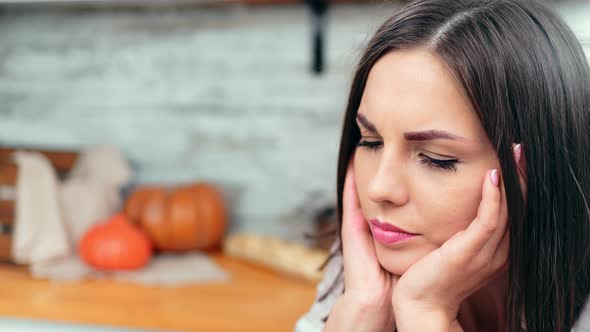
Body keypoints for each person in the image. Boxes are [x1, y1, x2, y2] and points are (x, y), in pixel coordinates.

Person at [294, 0, 590, 331]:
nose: (379, 188)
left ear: (533, 166)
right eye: (370, 141)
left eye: (437, 159)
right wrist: (361, 310)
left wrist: (425, 313)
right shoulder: (366, 263)